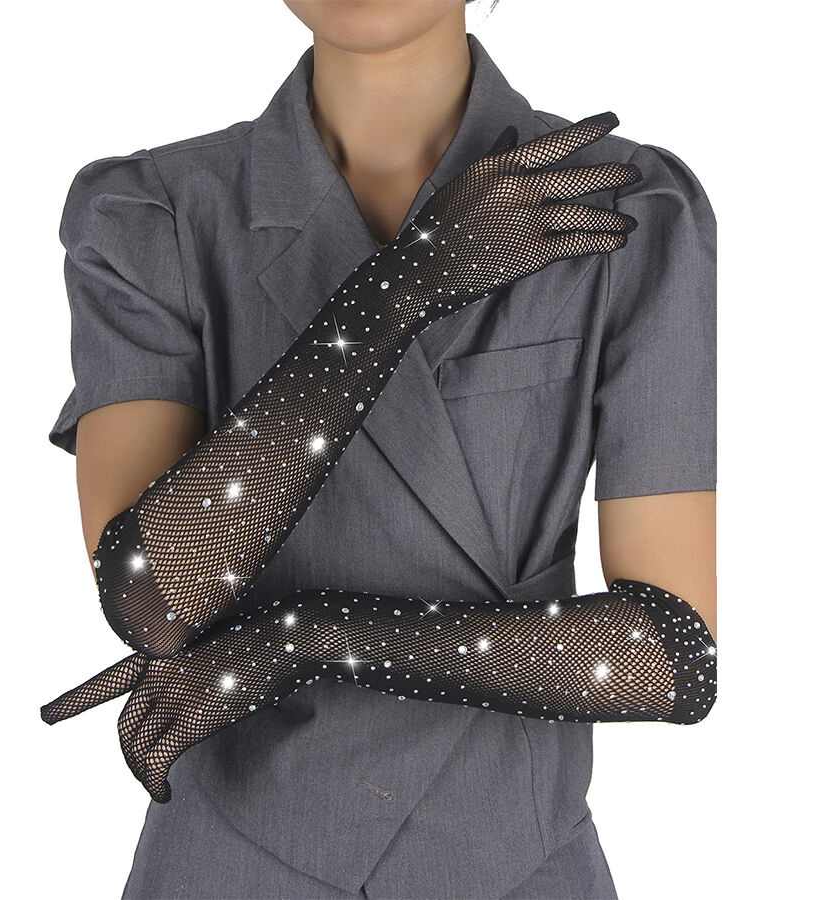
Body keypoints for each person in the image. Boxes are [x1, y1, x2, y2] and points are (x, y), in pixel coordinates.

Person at [45, 2, 716, 897]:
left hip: (513, 851)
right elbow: (153, 600)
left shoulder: (628, 207)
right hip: (230, 848)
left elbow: (672, 655)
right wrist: (404, 287)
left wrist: (308, 637)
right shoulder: (151, 212)